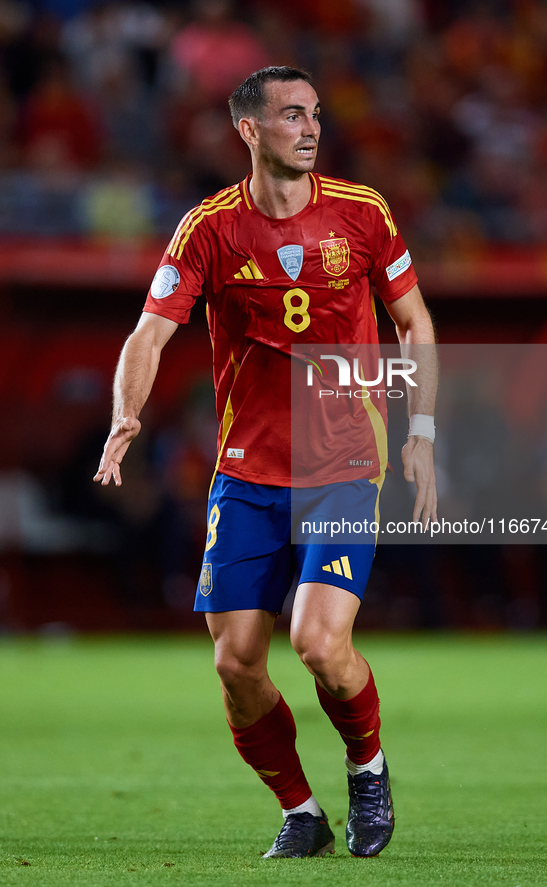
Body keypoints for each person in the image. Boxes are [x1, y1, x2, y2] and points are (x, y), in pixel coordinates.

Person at [94, 65, 437, 858]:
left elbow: (413, 321)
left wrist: (420, 428)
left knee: (319, 643)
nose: (310, 127)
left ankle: (368, 766)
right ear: (248, 130)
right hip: (246, 473)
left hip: (345, 463)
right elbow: (149, 332)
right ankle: (301, 811)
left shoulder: (361, 213)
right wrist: (126, 413)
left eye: (314, 113)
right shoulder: (208, 229)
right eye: (290, 115)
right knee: (237, 662)